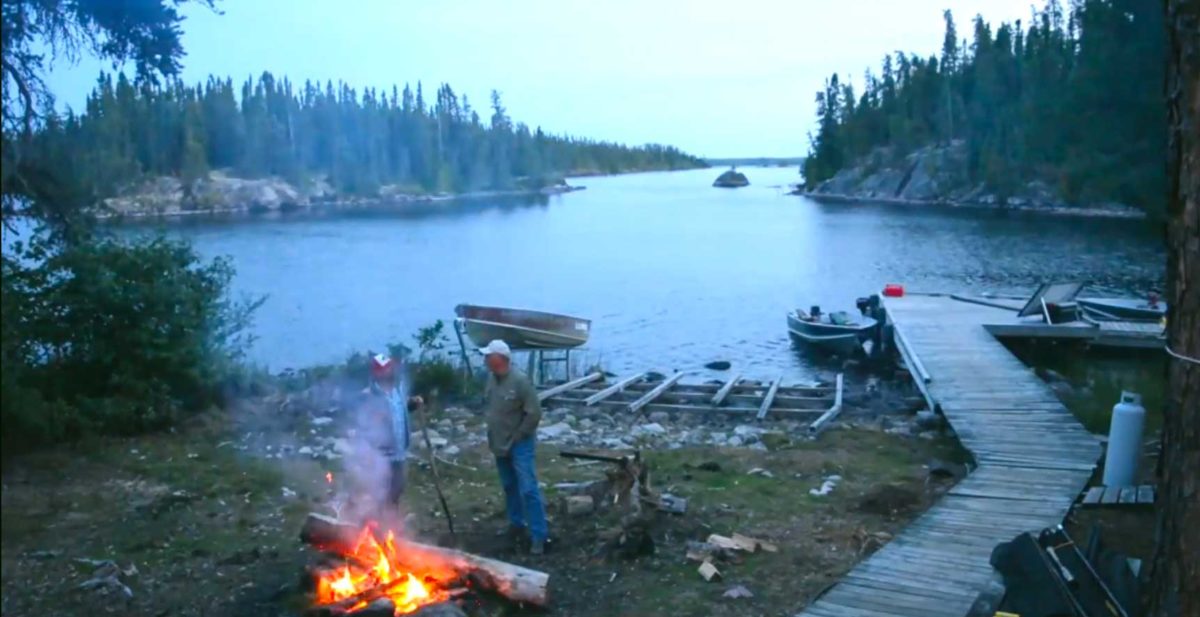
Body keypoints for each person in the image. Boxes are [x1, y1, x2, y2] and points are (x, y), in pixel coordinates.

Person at [478, 339, 548, 555]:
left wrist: (520, 435)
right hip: (499, 442)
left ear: (500, 358)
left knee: (528, 488)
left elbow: (534, 413)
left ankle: (539, 535)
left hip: (519, 443)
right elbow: (489, 405)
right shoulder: (491, 379)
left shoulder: (520, 381)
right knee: (509, 486)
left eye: (489, 355)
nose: (485, 359)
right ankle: (516, 524)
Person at [365, 353, 423, 512]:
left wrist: (412, 404)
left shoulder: (398, 389)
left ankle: (392, 524)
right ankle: (377, 524)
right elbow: (364, 423)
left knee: (398, 488)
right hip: (381, 454)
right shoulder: (370, 395)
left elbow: (401, 409)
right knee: (382, 491)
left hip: (400, 450)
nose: (390, 372)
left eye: (390, 368)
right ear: (377, 373)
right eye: (385, 369)